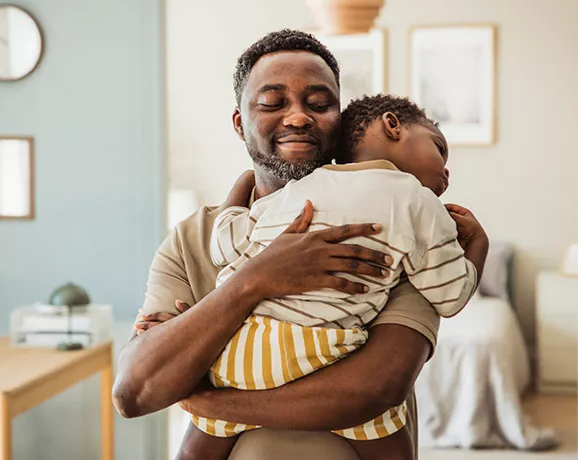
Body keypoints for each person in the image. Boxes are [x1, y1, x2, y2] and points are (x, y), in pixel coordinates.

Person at [112, 29, 490, 460]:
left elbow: (376, 386)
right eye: (273, 103)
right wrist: (254, 280)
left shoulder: (385, 223)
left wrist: (207, 397)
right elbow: (135, 391)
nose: (298, 118)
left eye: (319, 104)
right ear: (240, 123)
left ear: (340, 119)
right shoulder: (192, 238)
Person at [180, 93, 482, 460]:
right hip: (329, 359)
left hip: (244, 351)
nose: (446, 171)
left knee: (196, 452)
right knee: (393, 440)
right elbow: (450, 296)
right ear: (392, 125)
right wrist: (478, 243)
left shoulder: (298, 189)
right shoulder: (418, 200)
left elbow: (225, 245)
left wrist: (242, 185)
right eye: (440, 149)